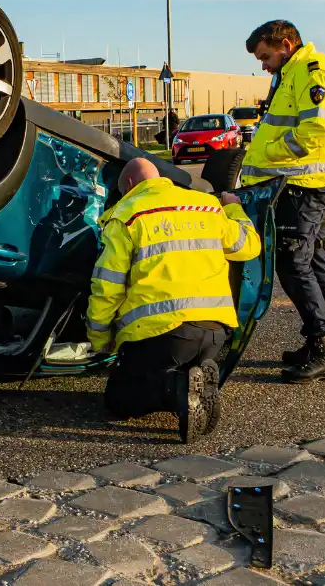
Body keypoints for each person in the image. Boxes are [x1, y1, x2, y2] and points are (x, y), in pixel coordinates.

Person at [86, 158, 261, 443]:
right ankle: (192, 383)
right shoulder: (206, 205)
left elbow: (107, 287)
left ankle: (177, 387)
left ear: (129, 185)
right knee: (173, 364)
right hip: (215, 333)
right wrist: (233, 207)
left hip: (162, 334)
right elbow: (248, 246)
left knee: (118, 400)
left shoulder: (127, 215)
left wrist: (99, 339)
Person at [241, 20, 325, 384]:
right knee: (312, 259)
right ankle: (322, 341)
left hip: (304, 185)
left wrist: (271, 154)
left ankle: (323, 347)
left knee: (293, 263)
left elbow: (316, 129)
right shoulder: (295, 72)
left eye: (265, 56)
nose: (263, 64)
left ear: (286, 44)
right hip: (303, 184)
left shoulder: (312, 72)